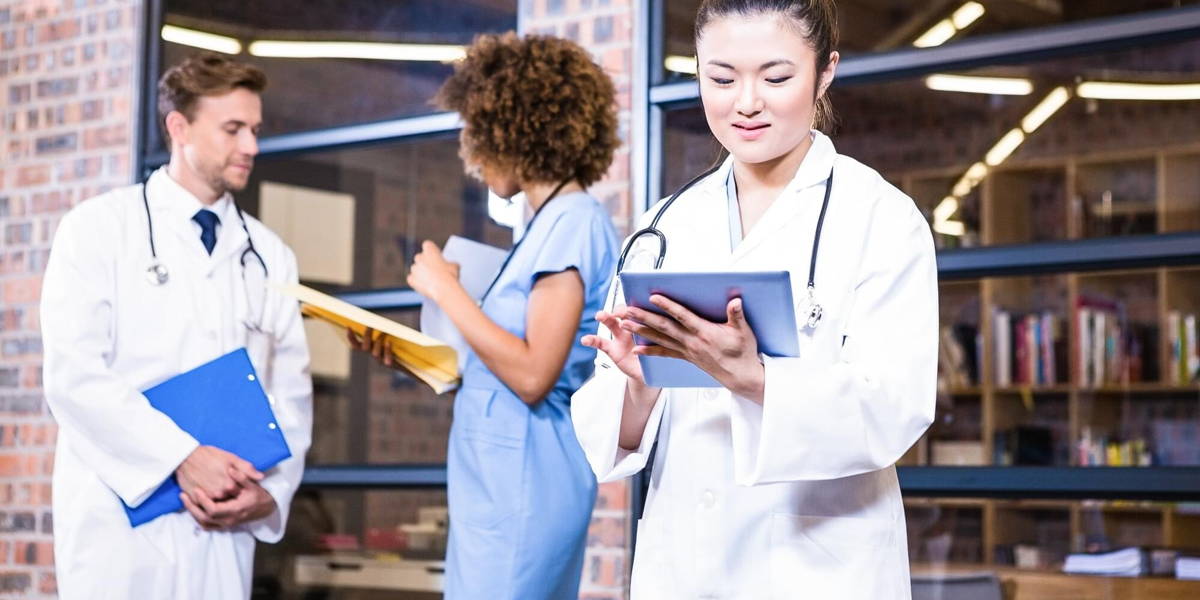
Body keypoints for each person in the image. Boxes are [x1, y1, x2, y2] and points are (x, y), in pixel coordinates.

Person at [571, 1, 938, 598]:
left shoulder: (881, 218)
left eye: (775, 77)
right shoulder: (663, 226)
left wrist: (758, 380)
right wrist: (640, 383)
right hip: (684, 566)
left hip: (818, 569)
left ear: (825, 72)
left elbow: (895, 407)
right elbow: (613, 433)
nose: (746, 103)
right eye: (721, 78)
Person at [348, 33, 620, 599]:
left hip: (527, 484)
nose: (471, 155)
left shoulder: (572, 222)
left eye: (475, 131)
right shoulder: (542, 227)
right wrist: (409, 355)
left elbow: (533, 374)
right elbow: (498, 363)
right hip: (496, 484)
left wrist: (447, 292)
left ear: (513, 130)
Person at [41, 53, 313, 599]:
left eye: (255, 130)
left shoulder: (270, 256)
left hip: (223, 532)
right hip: (119, 533)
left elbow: (291, 398)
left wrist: (269, 497)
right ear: (178, 127)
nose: (251, 147)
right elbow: (74, 377)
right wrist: (181, 458)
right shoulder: (98, 229)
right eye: (233, 129)